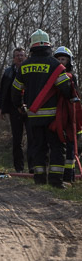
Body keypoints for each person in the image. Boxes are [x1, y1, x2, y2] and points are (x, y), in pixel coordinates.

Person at [11, 30, 74, 189]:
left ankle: (39, 179)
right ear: (48, 45)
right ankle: (55, 181)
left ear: (32, 46)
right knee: (57, 148)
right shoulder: (55, 66)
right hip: (54, 117)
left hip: (33, 116)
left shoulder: (24, 66)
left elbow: (15, 91)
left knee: (38, 147)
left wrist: (19, 106)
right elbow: (66, 90)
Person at [0, 47, 32, 173]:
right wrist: (1, 108)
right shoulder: (8, 72)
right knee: (17, 140)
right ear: (13, 58)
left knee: (32, 138)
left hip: (30, 108)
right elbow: (3, 91)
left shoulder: (31, 71)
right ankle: (19, 168)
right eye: (17, 55)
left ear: (26, 57)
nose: (20, 57)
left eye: (22, 55)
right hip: (14, 109)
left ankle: (33, 167)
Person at [54, 46, 78, 183]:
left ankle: (69, 176)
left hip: (70, 116)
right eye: (58, 59)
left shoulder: (72, 77)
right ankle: (59, 175)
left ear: (69, 61)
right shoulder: (53, 76)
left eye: (63, 59)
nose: (61, 61)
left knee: (71, 146)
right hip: (57, 114)